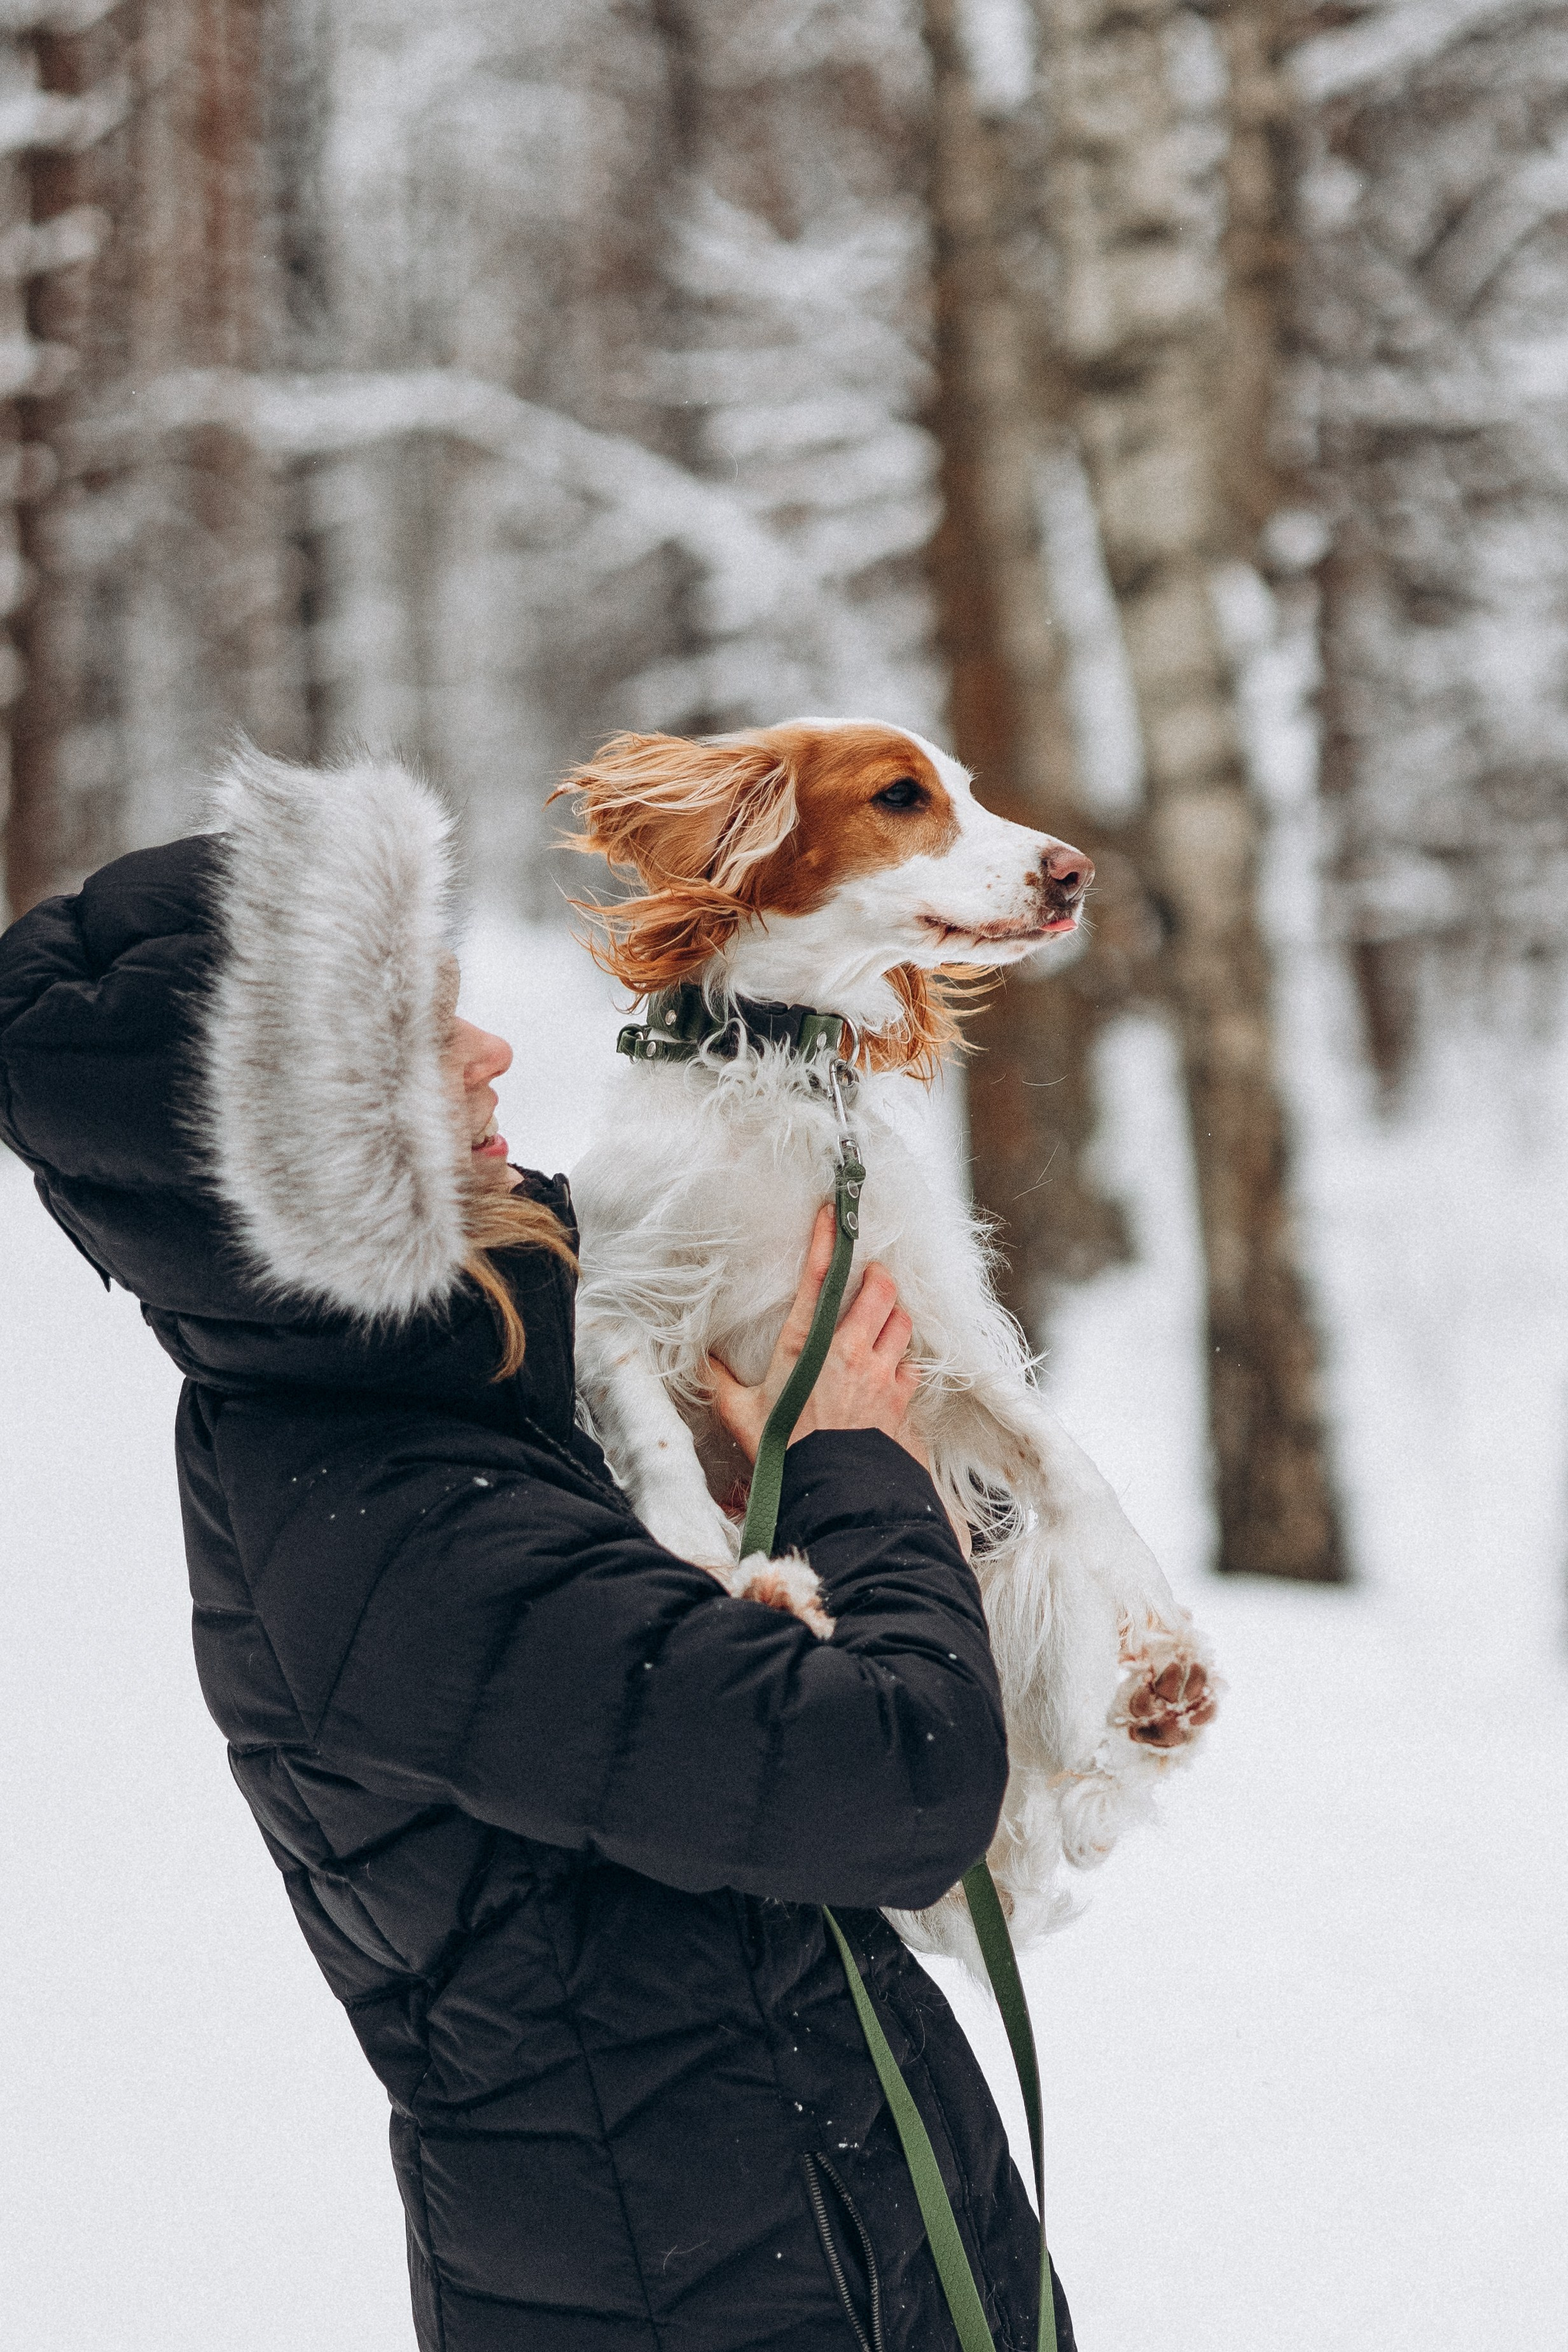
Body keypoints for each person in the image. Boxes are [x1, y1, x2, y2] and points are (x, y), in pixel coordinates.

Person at [0, 747, 1075, 2352]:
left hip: (817, 2235)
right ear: (316, 1149)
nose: (494, 1050)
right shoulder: (396, 1525)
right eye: (430, 1039)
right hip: (698, 2295)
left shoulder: (467, 1381)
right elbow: (897, 1782)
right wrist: (858, 1462)